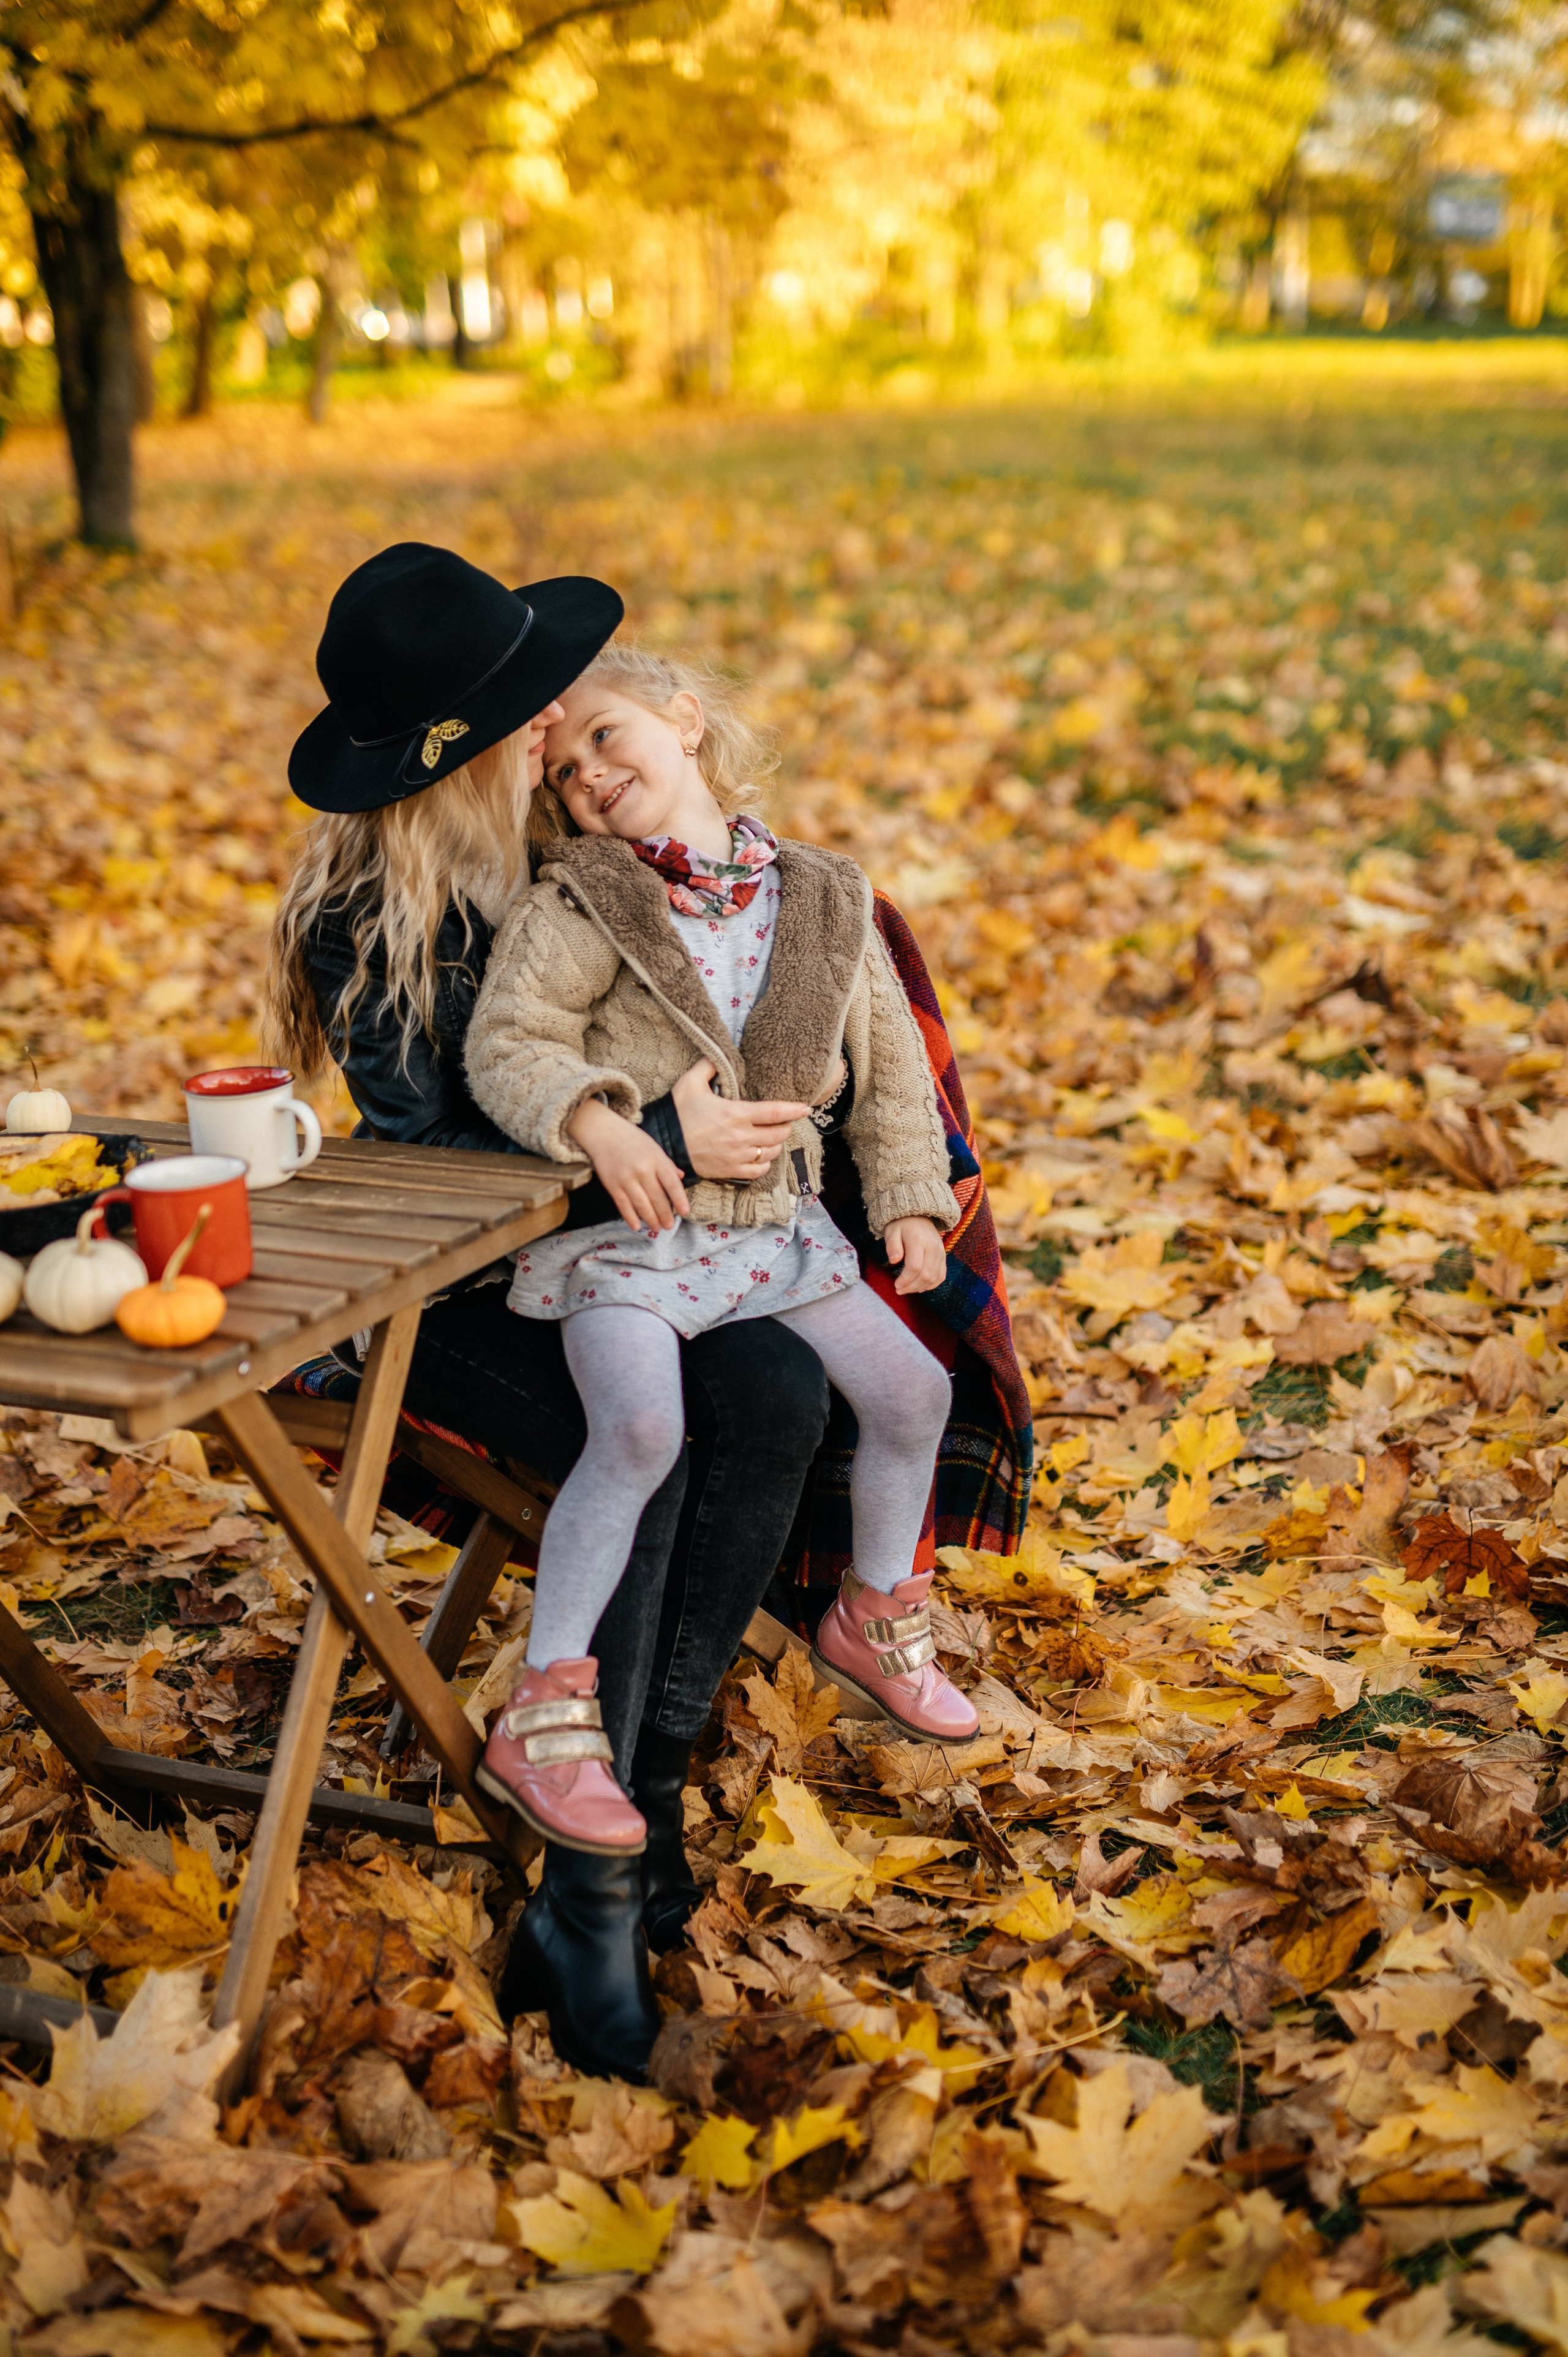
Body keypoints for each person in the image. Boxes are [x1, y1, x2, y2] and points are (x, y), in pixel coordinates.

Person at [266, 543, 840, 2082]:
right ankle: (583, 1900)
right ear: (453, 754)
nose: (555, 724)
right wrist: (645, 1134)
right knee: (634, 1435)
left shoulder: (580, 835)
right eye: (526, 706)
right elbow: (441, 1154)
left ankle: (633, 1800)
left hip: (630, 1244)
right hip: (451, 1278)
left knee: (783, 1396)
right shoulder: (367, 911)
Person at [461, 641, 982, 1861]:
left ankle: (874, 1614)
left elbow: (890, 1064)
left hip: (770, 1236)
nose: (589, 769)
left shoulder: (818, 892)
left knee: (915, 1391)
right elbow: (509, 1043)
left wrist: (907, 1197)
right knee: (637, 1431)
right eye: (568, 761)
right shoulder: (584, 898)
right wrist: (596, 1119)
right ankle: (545, 1707)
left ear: (684, 722)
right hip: (632, 1242)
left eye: (610, 734)